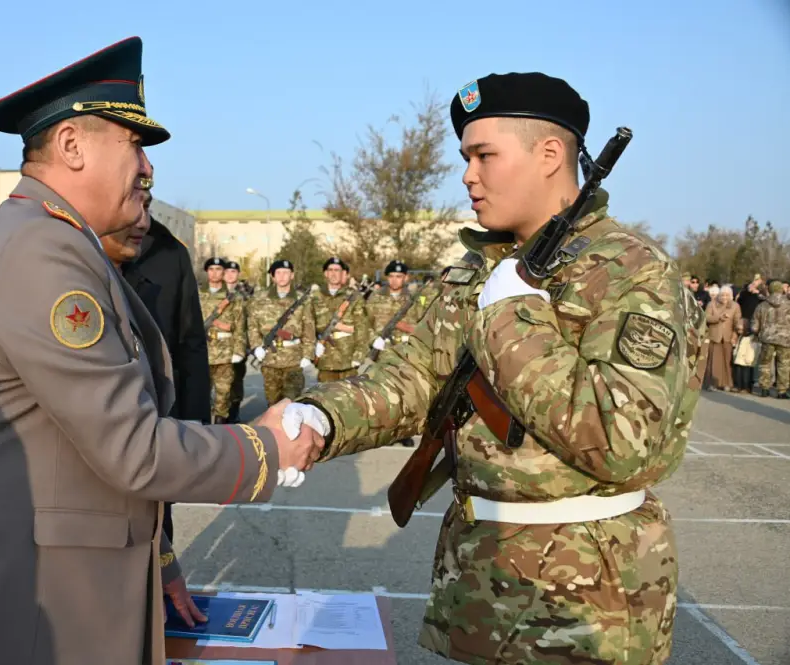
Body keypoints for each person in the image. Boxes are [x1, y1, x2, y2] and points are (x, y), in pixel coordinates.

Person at [0, 37, 321, 665]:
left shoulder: (53, 242)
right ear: (72, 146)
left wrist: (159, 556)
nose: (147, 168)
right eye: (134, 146)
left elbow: (74, 447)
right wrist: (264, 447)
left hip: (55, 591)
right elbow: (131, 447)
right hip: (30, 611)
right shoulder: (42, 252)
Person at [280, 72, 708, 664]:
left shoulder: (633, 273)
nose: (467, 175)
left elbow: (625, 443)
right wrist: (321, 417)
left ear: (550, 155)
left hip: (588, 595)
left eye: (484, 155)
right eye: (466, 157)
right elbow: (409, 379)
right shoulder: (477, 266)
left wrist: (513, 318)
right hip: (481, 572)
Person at [110, 193, 212, 545]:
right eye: (131, 203)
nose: (141, 218)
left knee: (155, 531)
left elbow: (191, 346)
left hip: (156, 420)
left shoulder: (170, 255)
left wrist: (197, 430)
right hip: (94, 422)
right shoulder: (70, 247)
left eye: (147, 206)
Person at [248, 259, 316, 405]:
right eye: (278, 273)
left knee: (292, 404)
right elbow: (252, 325)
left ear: (292, 275)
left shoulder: (302, 299)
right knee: (272, 403)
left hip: (294, 358)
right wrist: (256, 347)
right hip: (269, 358)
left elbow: (309, 328)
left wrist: (308, 355)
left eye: (286, 273)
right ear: (272, 276)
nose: (282, 276)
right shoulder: (259, 298)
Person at [198, 257, 246, 424]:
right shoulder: (197, 294)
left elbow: (240, 325)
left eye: (218, 269)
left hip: (225, 351)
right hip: (202, 350)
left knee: (223, 394)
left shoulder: (233, 297)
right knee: (201, 393)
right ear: (206, 272)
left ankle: (220, 429)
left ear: (223, 272)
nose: (214, 273)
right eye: (211, 269)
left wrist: (239, 350)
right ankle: (203, 429)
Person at [311, 257, 370, 382]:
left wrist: (359, 355)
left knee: (350, 399)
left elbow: (362, 328)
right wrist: (313, 347)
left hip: (348, 360)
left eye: (337, 270)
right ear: (325, 273)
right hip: (324, 359)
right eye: (330, 270)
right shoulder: (315, 297)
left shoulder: (354, 297)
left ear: (343, 273)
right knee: (325, 399)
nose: (333, 273)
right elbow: (307, 326)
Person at [751, 279, 789, 398]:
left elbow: (754, 325)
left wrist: (757, 332)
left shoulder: (762, 305)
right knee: (784, 364)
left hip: (767, 338)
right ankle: (782, 391)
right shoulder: (788, 304)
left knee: (765, 363)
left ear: (769, 289)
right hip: (785, 339)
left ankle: (764, 389)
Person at [223, 260, 250, 422]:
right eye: (228, 272)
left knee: (236, 379)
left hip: (239, 343)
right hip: (217, 346)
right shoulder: (216, 293)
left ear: (238, 274)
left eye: (234, 272)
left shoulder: (246, 293)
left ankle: (234, 411)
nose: (230, 275)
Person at [704, 285, 741, 391]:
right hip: (714, 335)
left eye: (727, 295)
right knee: (714, 361)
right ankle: (712, 384)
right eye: (723, 295)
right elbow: (706, 317)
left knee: (727, 361)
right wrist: (718, 318)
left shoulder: (735, 306)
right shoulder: (711, 304)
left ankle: (727, 383)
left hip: (728, 336)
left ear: (731, 296)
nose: (725, 297)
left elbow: (737, 321)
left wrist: (735, 334)